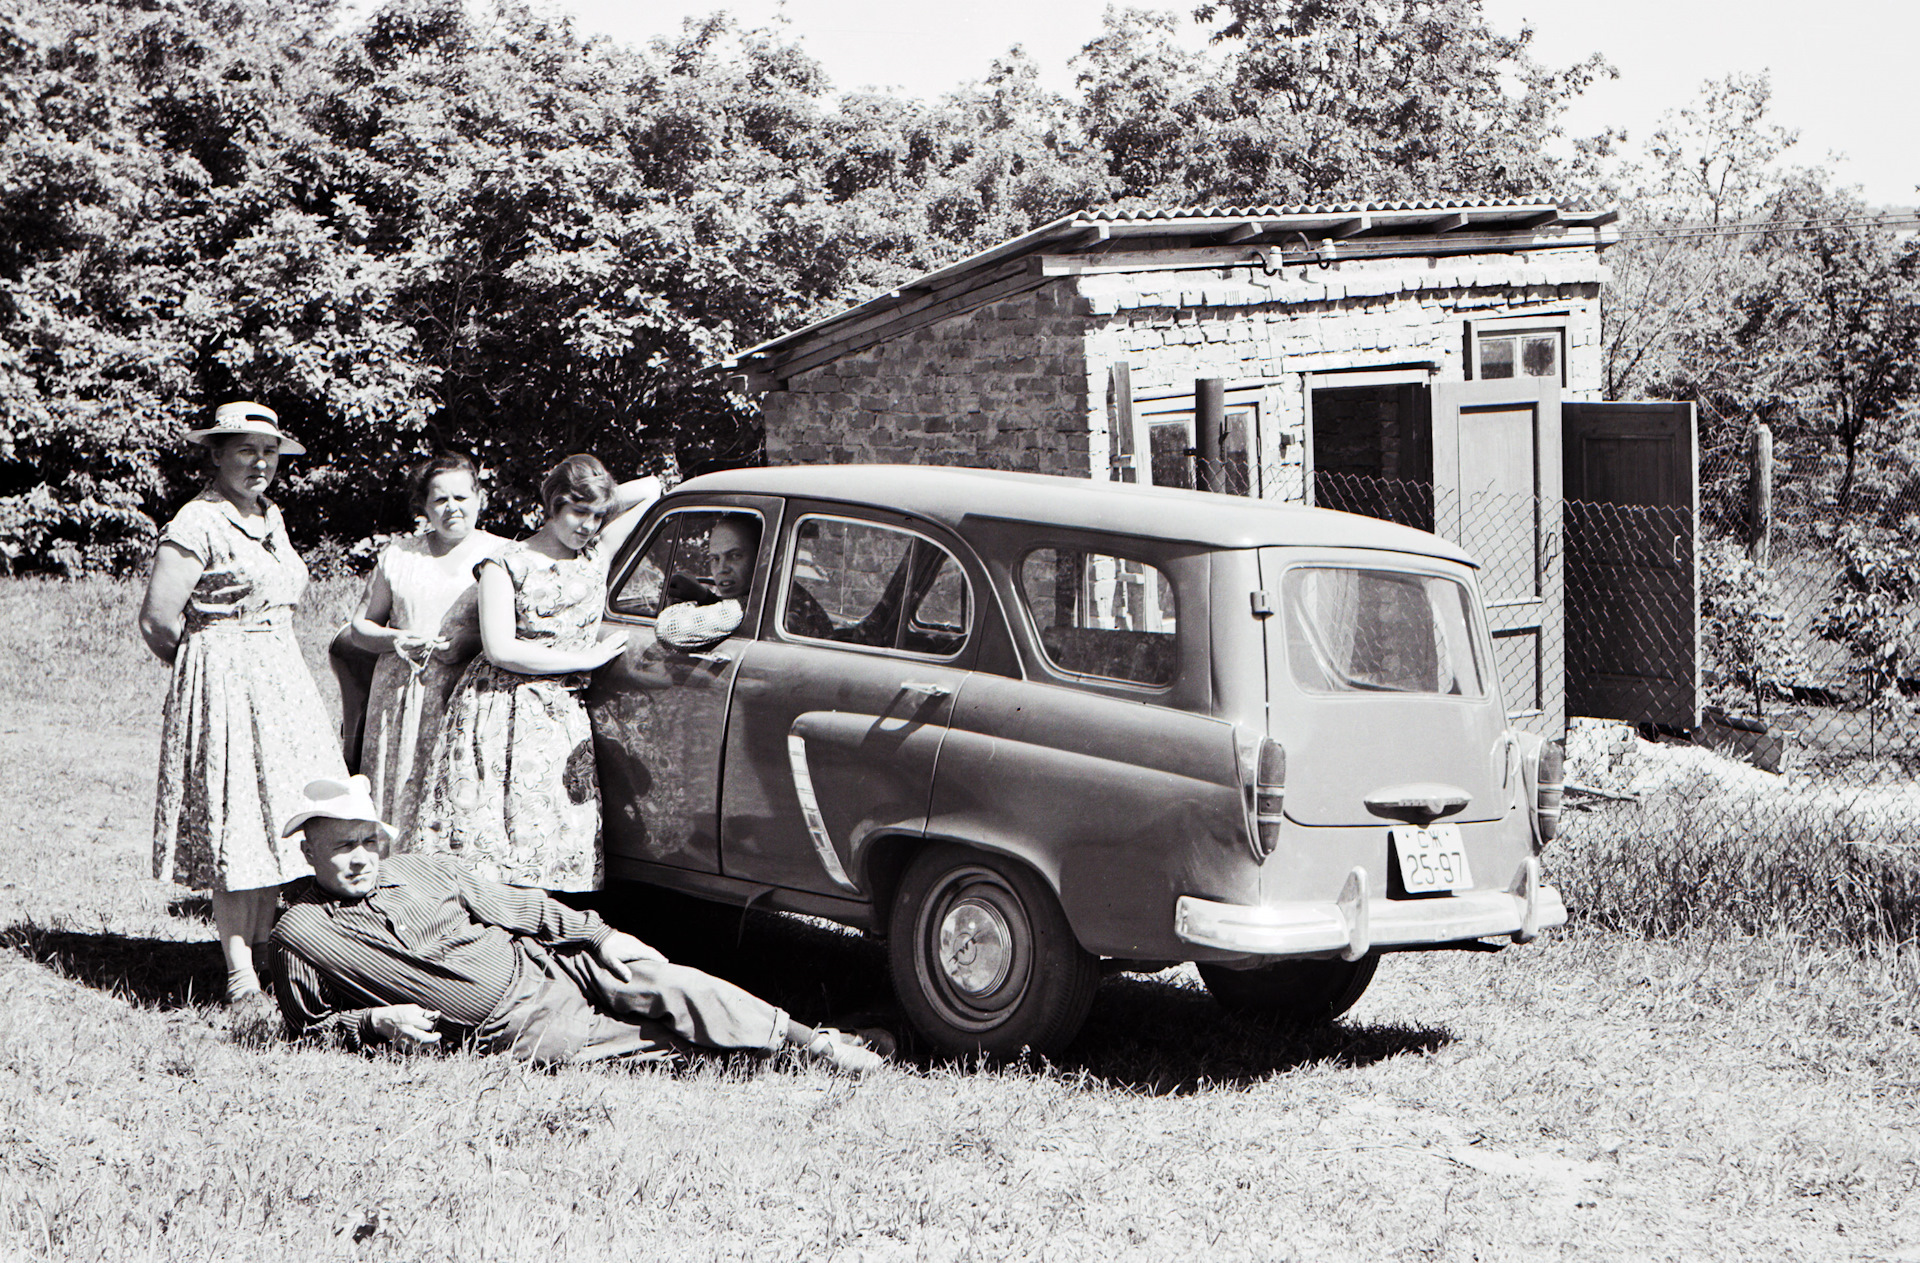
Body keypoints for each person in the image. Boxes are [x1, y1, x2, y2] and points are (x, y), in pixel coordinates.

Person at [271, 775, 886, 1072]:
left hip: (553, 961)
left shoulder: (424, 870)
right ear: (308, 852)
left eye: (366, 841)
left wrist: (599, 934)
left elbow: (524, 907)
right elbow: (308, 1026)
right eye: (340, 847)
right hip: (514, 1023)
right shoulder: (300, 933)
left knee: (667, 981)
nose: (359, 858)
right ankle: (795, 1052)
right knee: (670, 1046)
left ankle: (816, 1042)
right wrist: (375, 1022)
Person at [138, 400, 347, 1002]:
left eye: (269, 451)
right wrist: (210, 675)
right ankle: (237, 972)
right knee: (236, 821)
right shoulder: (196, 522)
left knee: (277, 820)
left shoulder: (269, 515)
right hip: (226, 681)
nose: (259, 462)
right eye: (245, 450)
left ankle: (266, 950)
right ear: (217, 455)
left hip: (282, 678)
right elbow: (157, 621)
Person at [409, 455, 647, 890]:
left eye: (598, 515)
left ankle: (540, 932)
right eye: (577, 512)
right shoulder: (506, 563)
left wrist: (600, 496)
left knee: (548, 826)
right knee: (491, 828)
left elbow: (651, 489)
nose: (588, 525)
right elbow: (500, 650)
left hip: (558, 711)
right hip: (499, 708)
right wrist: (584, 659)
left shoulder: (597, 555)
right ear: (553, 505)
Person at [343, 454, 508, 838]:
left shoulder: (503, 555)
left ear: (479, 498)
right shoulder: (400, 556)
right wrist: (396, 638)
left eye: (461, 498)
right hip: (402, 700)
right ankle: (391, 883)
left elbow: (521, 629)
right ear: (425, 507)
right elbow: (360, 628)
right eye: (440, 500)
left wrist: (469, 641)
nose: (452, 508)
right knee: (397, 791)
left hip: (470, 698)